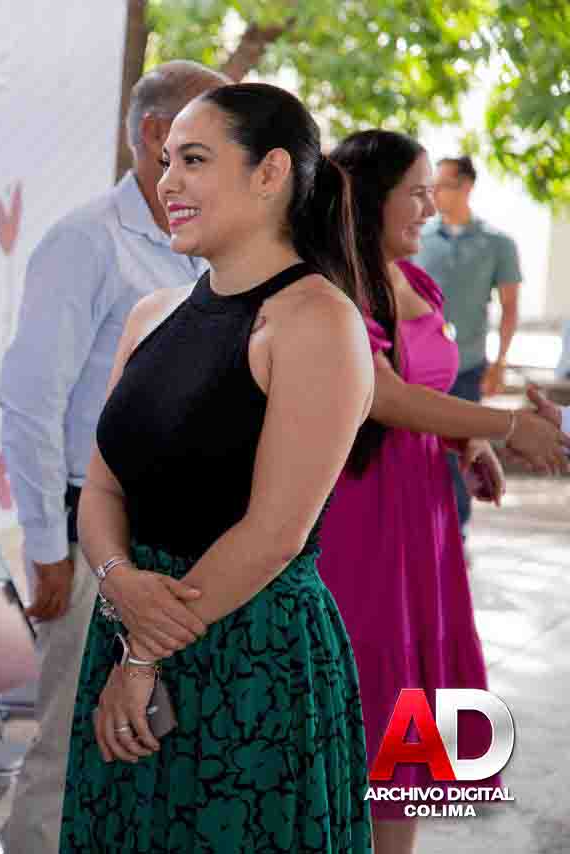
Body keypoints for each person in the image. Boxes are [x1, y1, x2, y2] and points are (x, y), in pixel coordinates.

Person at [62, 82, 375, 852]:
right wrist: (119, 583)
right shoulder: (153, 314)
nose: (167, 181)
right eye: (166, 160)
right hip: (130, 630)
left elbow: (274, 534)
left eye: (195, 160)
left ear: (271, 173)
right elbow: (101, 486)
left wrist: (144, 651)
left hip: (250, 653)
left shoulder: (316, 320)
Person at [0, 59, 226, 853]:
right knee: (68, 747)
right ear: (159, 135)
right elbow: (31, 402)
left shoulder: (208, 241)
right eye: (211, 125)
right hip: (93, 531)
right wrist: (48, 549)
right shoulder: (85, 241)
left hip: (181, 543)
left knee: (152, 751)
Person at [321, 130, 570, 854]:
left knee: (413, 715)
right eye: (418, 193)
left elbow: (431, 390)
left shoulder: (418, 283)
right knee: (366, 700)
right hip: (362, 515)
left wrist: (469, 443)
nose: (432, 208)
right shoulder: (337, 288)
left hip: (425, 517)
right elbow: (382, 395)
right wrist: (504, 425)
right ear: (370, 198)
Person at [415, 155, 523, 535]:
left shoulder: (498, 243)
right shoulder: (417, 238)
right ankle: (424, 533)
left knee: (464, 452)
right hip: (419, 369)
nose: (434, 194)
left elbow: (510, 308)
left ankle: (454, 536)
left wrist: (500, 363)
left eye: (442, 185)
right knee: (418, 453)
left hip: (468, 366)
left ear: (466, 187)